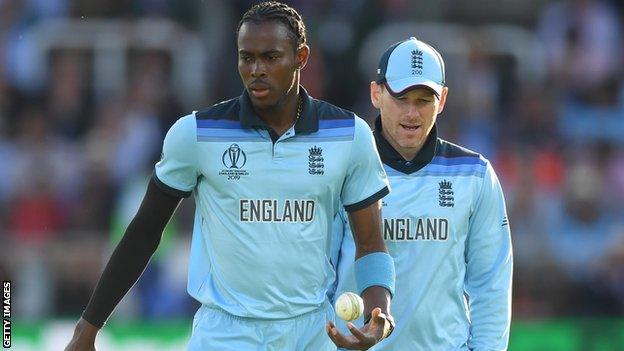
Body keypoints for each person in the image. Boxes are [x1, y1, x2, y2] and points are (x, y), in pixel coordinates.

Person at [64, 2, 396, 350]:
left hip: (310, 331)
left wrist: (379, 312)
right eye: (246, 57)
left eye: (270, 57)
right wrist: (88, 327)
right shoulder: (196, 134)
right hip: (225, 333)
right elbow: (145, 231)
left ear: (300, 57)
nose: (256, 70)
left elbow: (371, 243)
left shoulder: (349, 135)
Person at [331, 37, 513, 350]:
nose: (412, 113)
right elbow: (317, 278)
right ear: (376, 94)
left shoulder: (475, 175)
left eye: (423, 100)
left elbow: (491, 283)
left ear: (441, 100)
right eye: (401, 98)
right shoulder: (342, 172)